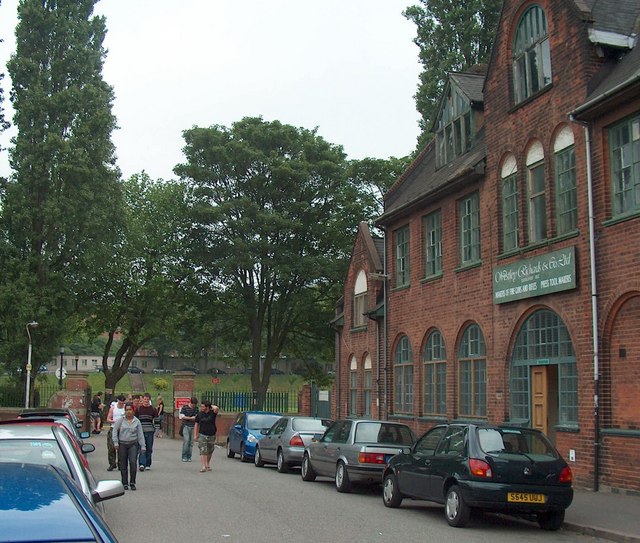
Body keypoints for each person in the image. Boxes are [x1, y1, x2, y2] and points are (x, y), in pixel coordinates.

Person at [112, 402, 146, 491]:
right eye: (127, 410)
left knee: (133, 463)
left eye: (130, 410)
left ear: (133, 411)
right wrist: (115, 442)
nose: (128, 412)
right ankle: (124, 483)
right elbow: (115, 430)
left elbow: (140, 434)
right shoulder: (121, 420)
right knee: (123, 464)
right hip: (122, 444)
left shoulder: (137, 421)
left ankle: (132, 482)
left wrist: (143, 446)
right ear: (125, 411)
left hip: (133, 444)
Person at [194, 400, 219, 472]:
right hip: (202, 434)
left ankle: (207, 463)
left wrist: (211, 406)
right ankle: (203, 466)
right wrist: (195, 435)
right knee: (203, 450)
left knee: (210, 450)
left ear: (207, 407)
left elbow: (216, 408)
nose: (201, 407)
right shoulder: (199, 414)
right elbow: (196, 424)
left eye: (203, 406)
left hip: (211, 434)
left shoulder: (212, 413)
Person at [135, 392, 157, 471]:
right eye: (145, 399)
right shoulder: (138, 409)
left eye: (148, 399)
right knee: (141, 447)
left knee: (149, 447)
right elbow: (135, 420)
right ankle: (141, 464)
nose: (146, 401)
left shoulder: (153, 409)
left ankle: (148, 463)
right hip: (141, 431)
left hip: (150, 430)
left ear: (149, 400)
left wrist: (156, 430)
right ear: (142, 399)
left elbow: (156, 420)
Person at [106, 395, 126, 471]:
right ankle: (112, 463)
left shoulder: (125, 408)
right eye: (120, 402)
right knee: (111, 447)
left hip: (122, 430)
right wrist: (114, 421)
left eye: (122, 403)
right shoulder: (113, 408)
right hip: (113, 428)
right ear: (117, 401)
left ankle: (121, 464)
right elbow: (108, 419)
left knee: (121, 448)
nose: (121, 404)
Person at [179, 397, 198, 462]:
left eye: (195, 405)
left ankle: (189, 456)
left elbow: (197, 417)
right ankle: (184, 456)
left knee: (191, 442)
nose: (194, 406)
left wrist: (192, 418)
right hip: (186, 426)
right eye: (193, 405)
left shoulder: (196, 409)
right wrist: (191, 418)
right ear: (190, 403)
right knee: (186, 441)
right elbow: (182, 416)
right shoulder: (184, 408)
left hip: (193, 426)